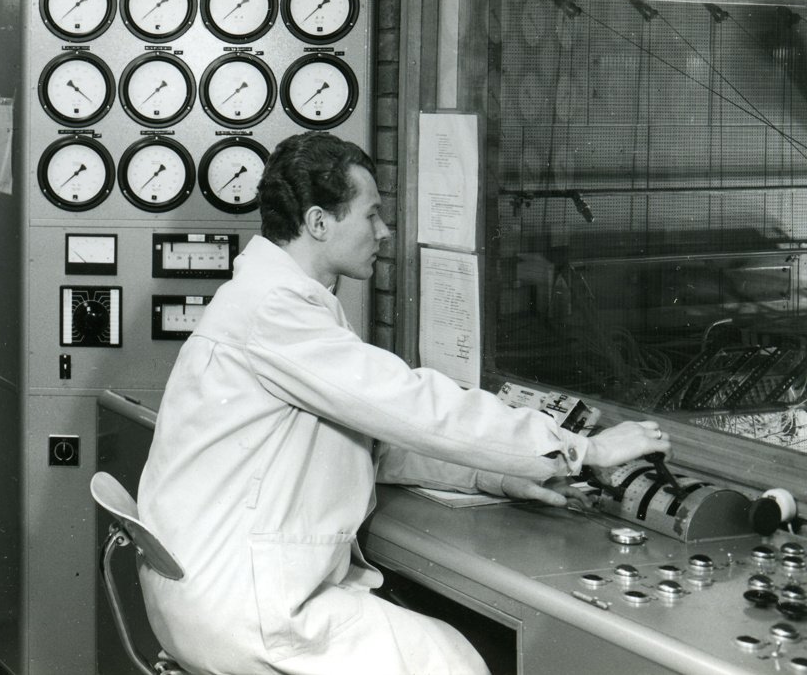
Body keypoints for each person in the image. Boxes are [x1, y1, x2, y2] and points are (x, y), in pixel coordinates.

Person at [135, 132, 669, 674]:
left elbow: (363, 443)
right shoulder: (276, 311)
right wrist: (582, 448)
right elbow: (414, 406)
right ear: (318, 223)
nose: (384, 231)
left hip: (205, 588)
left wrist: (493, 476)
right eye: (370, 215)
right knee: (452, 663)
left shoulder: (271, 300)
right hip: (243, 605)